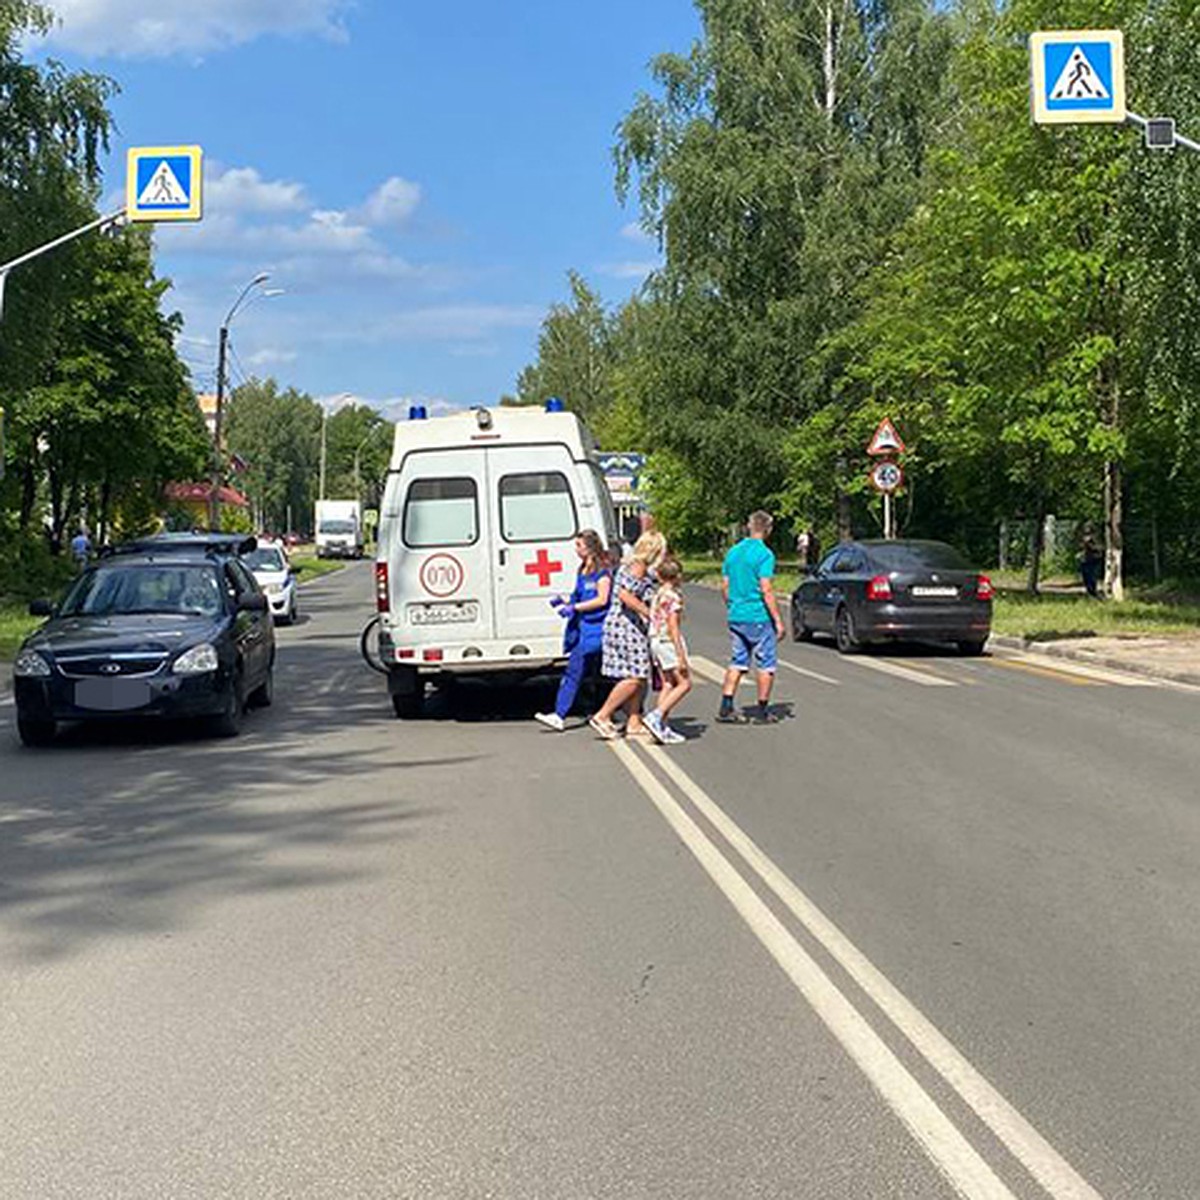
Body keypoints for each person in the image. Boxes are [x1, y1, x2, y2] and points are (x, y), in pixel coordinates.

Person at [590, 530, 667, 739]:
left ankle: (634, 720)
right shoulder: (638, 566)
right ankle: (603, 715)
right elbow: (626, 595)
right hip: (625, 625)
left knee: (640, 676)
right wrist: (649, 613)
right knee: (634, 676)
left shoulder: (635, 565)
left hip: (627, 625)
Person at [535, 530, 613, 732]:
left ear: (589, 547)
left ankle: (561, 714)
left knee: (578, 672)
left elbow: (602, 599)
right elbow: (579, 597)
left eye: (579, 546)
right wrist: (564, 601)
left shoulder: (602, 572)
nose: (576, 550)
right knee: (584, 673)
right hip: (582, 628)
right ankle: (595, 713)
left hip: (596, 629)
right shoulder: (582, 570)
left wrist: (575, 608)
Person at [718, 510, 786, 724]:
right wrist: (777, 620)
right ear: (768, 529)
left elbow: (725, 586)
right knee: (766, 663)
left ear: (749, 527)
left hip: (736, 615)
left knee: (738, 660)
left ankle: (726, 706)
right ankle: (762, 710)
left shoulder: (733, 552)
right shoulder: (764, 554)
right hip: (758, 616)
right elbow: (766, 588)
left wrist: (732, 605)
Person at [644, 557, 692, 745]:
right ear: (677, 576)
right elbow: (673, 626)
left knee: (668, 684)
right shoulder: (673, 597)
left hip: (655, 640)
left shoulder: (658, 594)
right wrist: (681, 655)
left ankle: (662, 726)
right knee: (685, 683)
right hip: (667, 642)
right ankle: (656, 716)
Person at [1080, 531, 1103, 598]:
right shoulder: (1083, 542)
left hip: (1093, 561)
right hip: (1085, 561)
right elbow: (1082, 550)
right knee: (1086, 578)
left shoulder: (1095, 541)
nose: (1085, 537)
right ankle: (1090, 593)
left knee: (1092, 578)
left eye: (1087, 535)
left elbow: (1099, 549)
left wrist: (1090, 546)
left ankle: (1094, 593)